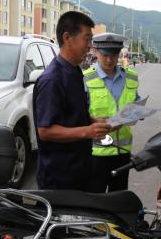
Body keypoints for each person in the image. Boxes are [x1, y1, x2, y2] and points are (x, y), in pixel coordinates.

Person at [33, 11, 111, 190]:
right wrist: (88, 131)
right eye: (87, 39)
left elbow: (70, 114)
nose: (90, 46)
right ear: (67, 37)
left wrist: (95, 123)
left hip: (80, 169)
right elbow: (45, 130)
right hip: (60, 177)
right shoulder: (52, 79)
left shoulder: (74, 71)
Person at [83, 33, 139, 193]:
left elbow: (136, 103)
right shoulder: (85, 78)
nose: (109, 60)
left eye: (114, 55)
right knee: (96, 200)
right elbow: (77, 114)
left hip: (123, 154)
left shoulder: (131, 77)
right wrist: (96, 122)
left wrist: (135, 113)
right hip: (96, 154)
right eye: (105, 55)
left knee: (119, 199)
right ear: (95, 52)